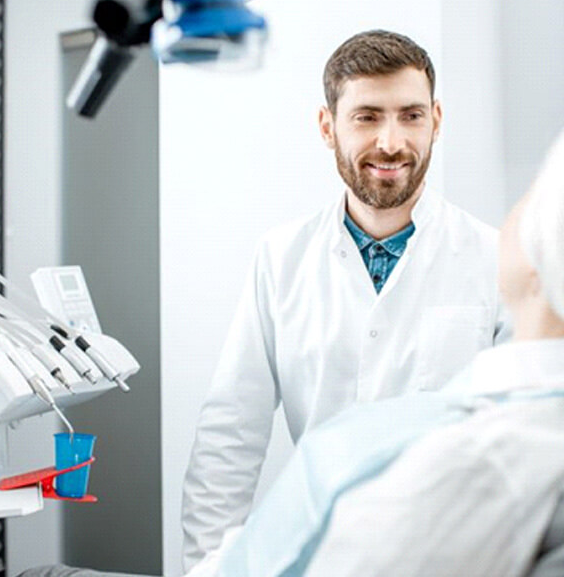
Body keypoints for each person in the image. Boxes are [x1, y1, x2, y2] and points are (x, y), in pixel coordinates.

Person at [182, 29, 509, 570]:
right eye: (366, 116)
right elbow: (231, 433)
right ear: (327, 127)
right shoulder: (281, 258)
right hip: (322, 552)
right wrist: (207, 565)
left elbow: (523, 436)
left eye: (410, 115)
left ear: (437, 121)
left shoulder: (496, 258)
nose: (390, 142)